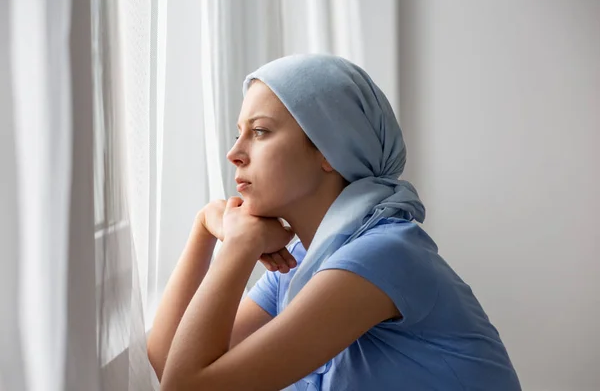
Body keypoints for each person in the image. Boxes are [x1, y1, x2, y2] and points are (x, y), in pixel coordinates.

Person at [147, 54, 521, 390]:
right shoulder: (300, 263)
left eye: (259, 132)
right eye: (238, 133)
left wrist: (240, 244)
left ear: (329, 149)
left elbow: (186, 387)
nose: (234, 153)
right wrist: (203, 228)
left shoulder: (381, 255)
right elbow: (167, 359)